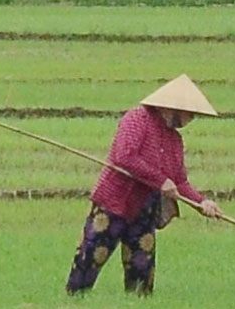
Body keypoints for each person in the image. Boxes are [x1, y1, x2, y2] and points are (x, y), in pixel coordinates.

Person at [67, 76, 216, 296]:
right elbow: (124, 157)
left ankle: (138, 306)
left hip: (144, 208)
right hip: (113, 203)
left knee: (142, 267)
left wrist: (201, 202)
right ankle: (74, 300)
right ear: (173, 108)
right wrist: (160, 180)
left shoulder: (174, 140)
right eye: (189, 114)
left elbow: (179, 181)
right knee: (91, 255)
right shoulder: (137, 119)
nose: (190, 119)